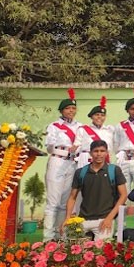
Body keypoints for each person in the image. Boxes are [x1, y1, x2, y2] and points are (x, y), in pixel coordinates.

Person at [61, 140, 128, 241]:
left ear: (106, 153)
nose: (99, 154)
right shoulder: (81, 172)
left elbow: (123, 195)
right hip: (83, 219)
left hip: (104, 220)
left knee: (100, 252)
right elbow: (72, 197)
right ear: (90, 153)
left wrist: (110, 218)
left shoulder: (114, 170)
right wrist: (67, 218)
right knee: (72, 249)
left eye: (102, 151)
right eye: (96, 151)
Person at [43, 89, 81, 240]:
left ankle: (61, 236)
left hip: (72, 163)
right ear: (62, 110)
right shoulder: (54, 126)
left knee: (65, 202)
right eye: (67, 108)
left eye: (73, 108)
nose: (71, 111)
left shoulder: (80, 126)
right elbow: (49, 146)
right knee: (53, 201)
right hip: (58, 160)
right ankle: (47, 238)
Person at [74, 96, 115, 168]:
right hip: (87, 160)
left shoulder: (110, 130)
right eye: (97, 115)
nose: (99, 117)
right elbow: (76, 147)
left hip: (104, 161)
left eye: (102, 115)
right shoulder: (83, 130)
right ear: (91, 116)